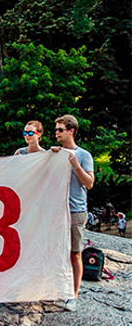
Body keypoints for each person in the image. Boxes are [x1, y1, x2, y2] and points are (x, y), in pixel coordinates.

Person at [50, 114, 94, 311]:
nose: (56, 133)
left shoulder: (84, 155)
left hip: (76, 210)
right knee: (53, 251)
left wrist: (76, 165)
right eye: (56, 129)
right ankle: (54, 290)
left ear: (71, 131)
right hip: (54, 210)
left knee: (74, 253)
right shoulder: (54, 153)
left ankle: (73, 295)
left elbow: (89, 183)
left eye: (60, 130)